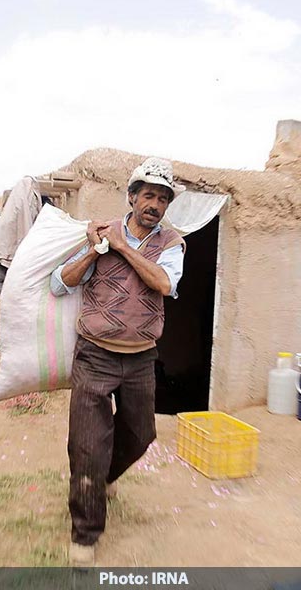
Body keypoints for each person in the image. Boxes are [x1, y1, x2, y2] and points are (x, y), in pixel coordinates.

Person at [49, 157, 186, 566]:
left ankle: (103, 480)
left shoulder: (172, 243)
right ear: (131, 197)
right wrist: (94, 252)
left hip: (141, 358)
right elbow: (60, 283)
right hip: (94, 355)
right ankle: (86, 533)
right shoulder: (100, 233)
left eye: (163, 198)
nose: (155, 205)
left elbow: (164, 284)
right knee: (89, 444)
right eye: (148, 195)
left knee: (141, 434)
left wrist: (124, 248)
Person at [0, 177, 44, 299]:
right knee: (9, 293)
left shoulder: (16, 204)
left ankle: (6, 313)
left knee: (6, 292)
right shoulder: (27, 206)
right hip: (4, 253)